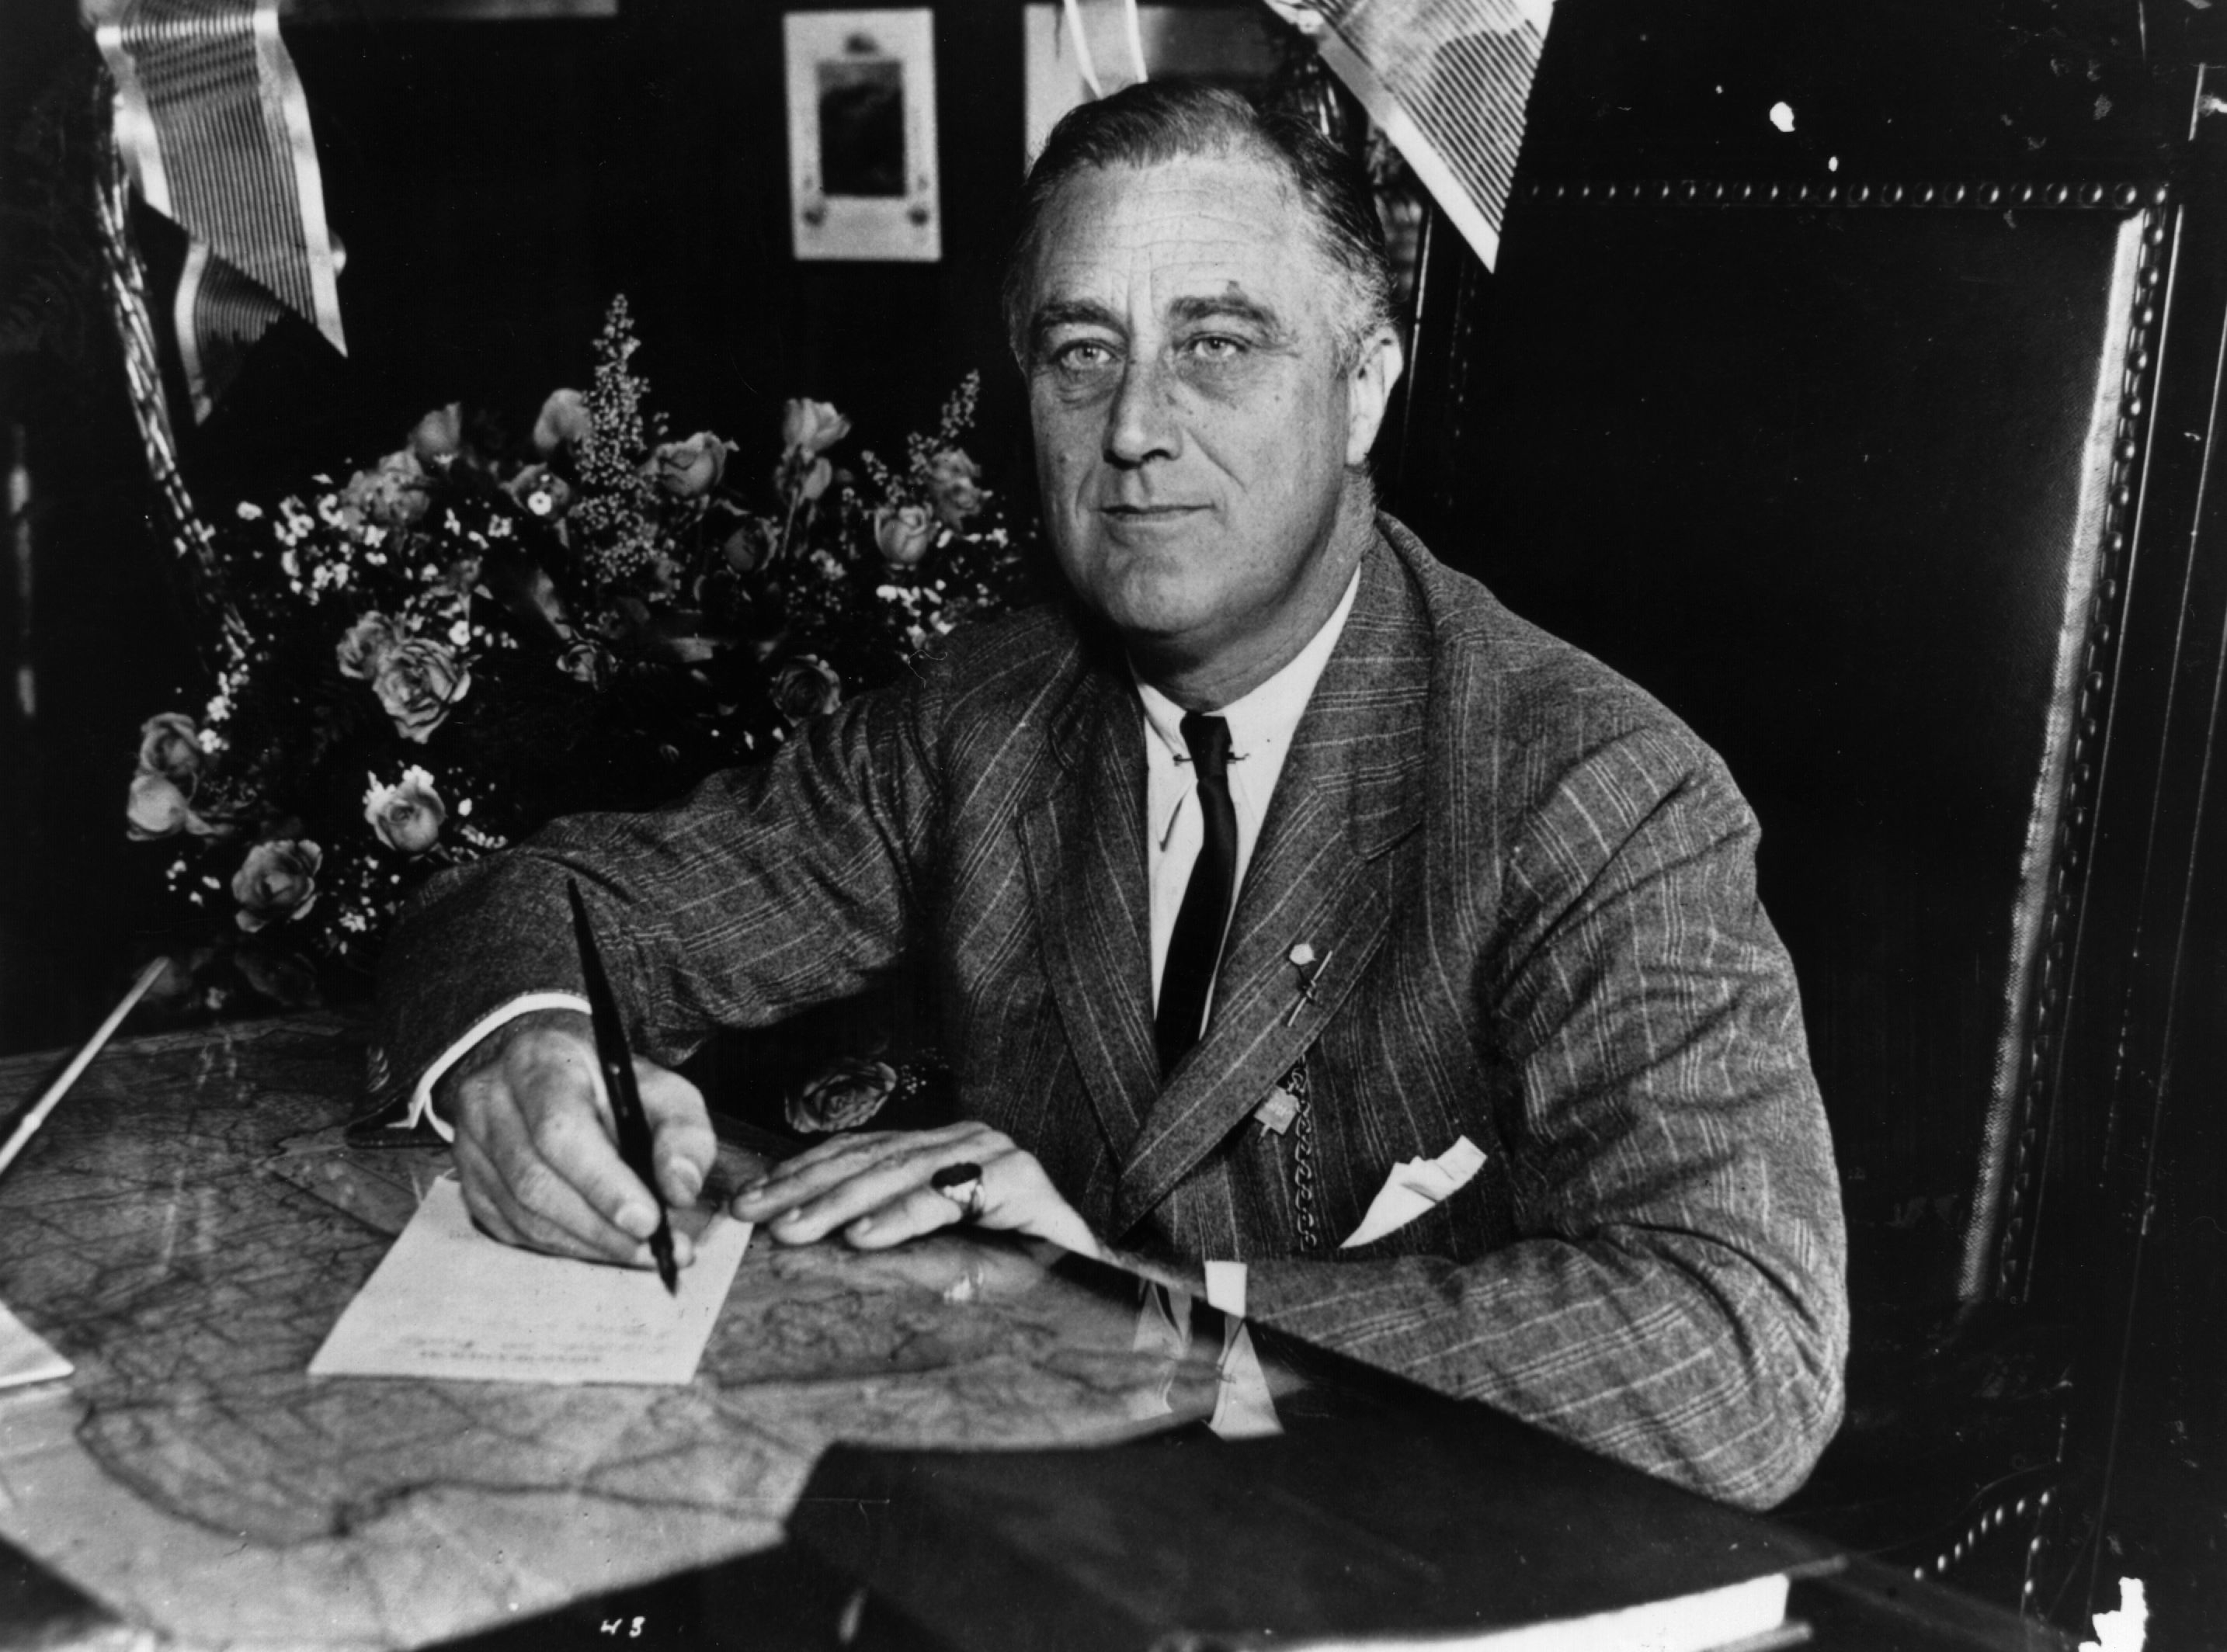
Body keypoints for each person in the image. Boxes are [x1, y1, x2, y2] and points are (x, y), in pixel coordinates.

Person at [371, 82, 1847, 1510]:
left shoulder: (1589, 790)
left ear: (1365, 387)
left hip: (1383, 1554)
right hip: (1037, 1540)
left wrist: (1139, 1309)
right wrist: (531, 1059)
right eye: (1082, 351)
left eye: (1216, 342)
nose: (1133, 424)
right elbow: (557, 907)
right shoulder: (987, 715)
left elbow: (1741, 1350)